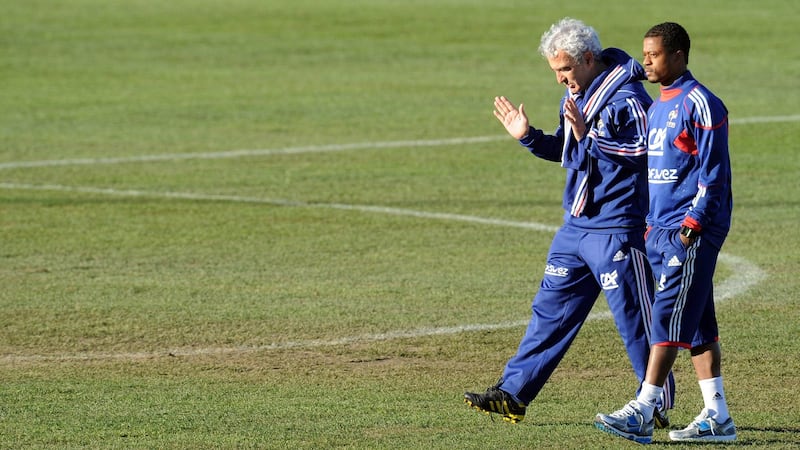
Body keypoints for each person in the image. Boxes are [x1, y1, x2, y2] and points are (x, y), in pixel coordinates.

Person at [463, 17, 674, 427]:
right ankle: (513, 393)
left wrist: (587, 137)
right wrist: (529, 137)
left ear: (588, 59)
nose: (560, 79)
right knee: (550, 312)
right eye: (555, 71)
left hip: (617, 229)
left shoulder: (628, 98)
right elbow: (568, 151)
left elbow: (642, 153)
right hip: (575, 229)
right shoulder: (576, 97)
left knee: (636, 322)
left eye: (564, 69)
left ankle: (653, 404)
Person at [594, 22, 736, 444]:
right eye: (645, 54)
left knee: (667, 317)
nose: (647, 62)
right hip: (660, 229)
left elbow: (714, 176)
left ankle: (644, 406)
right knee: (696, 325)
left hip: (691, 231)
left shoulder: (702, 104)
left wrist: (690, 228)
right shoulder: (657, 108)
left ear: (677, 55)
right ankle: (718, 416)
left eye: (654, 55)